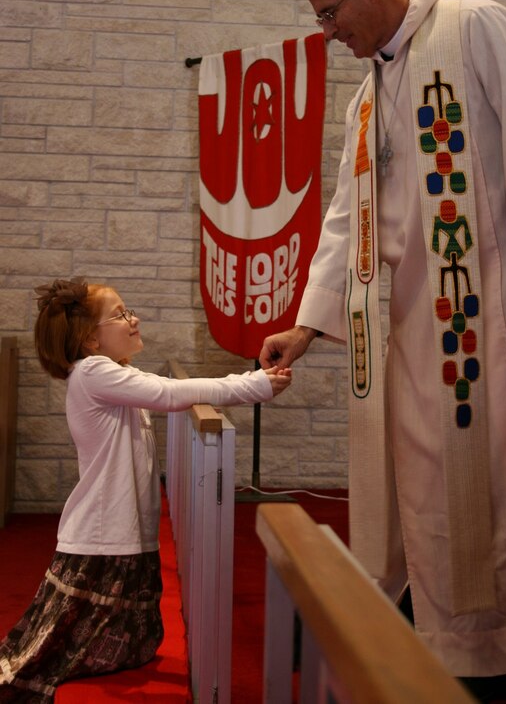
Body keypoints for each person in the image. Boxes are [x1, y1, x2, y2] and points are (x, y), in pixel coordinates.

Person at [259, 0, 506, 701]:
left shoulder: (475, 27)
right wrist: (309, 322)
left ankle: (496, 655)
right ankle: (432, 644)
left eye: (331, 13)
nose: (328, 32)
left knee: (500, 490)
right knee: (422, 495)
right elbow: (345, 218)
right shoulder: (366, 98)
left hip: (495, 317)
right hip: (411, 332)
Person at [0, 277, 291, 702]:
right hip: (101, 532)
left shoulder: (113, 371)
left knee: (131, 643)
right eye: (119, 315)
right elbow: (170, 393)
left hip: (120, 526)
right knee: (48, 653)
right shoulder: (92, 371)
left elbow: (161, 391)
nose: (133, 319)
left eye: (128, 310)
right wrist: (254, 385)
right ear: (89, 339)